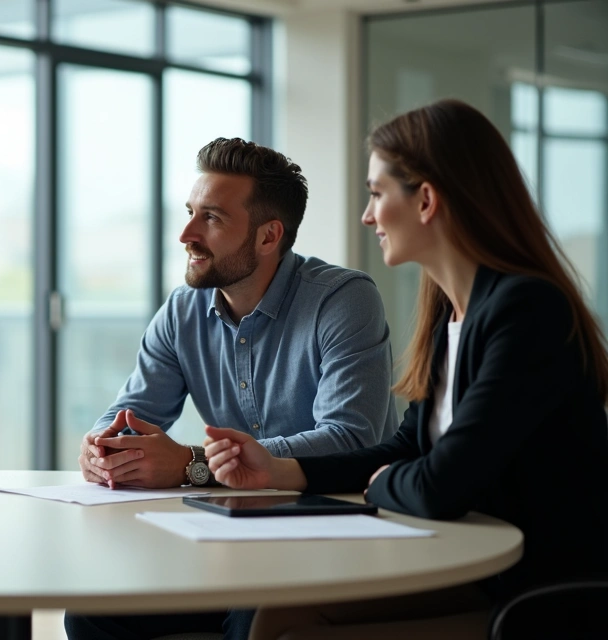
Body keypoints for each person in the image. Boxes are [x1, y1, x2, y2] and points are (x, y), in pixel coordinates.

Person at [203, 99, 608, 639]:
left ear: (425, 201)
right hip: (468, 562)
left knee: (292, 627)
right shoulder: (452, 313)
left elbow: (440, 483)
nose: (367, 216)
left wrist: (385, 483)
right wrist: (280, 471)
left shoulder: (527, 311)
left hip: (533, 591)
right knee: (272, 613)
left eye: (376, 194)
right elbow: (409, 449)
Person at [66, 138, 397, 640]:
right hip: (231, 542)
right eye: (190, 213)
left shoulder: (343, 300)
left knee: (254, 615)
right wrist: (102, 447)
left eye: (212, 219)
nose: (186, 234)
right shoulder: (182, 311)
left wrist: (193, 464)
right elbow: (129, 412)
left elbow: (352, 439)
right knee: (92, 612)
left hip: (332, 537)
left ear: (268, 237)